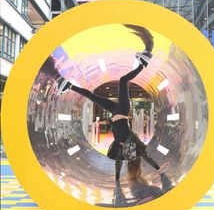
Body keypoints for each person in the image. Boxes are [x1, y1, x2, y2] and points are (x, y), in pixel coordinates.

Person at [61, 51, 169, 182]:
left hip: (115, 111)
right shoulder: (136, 146)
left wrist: (117, 179)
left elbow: (117, 161)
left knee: (92, 96)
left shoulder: (119, 148)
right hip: (122, 110)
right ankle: (143, 65)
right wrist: (158, 170)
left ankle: (69, 86)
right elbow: (146, 156)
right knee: (123, 80)